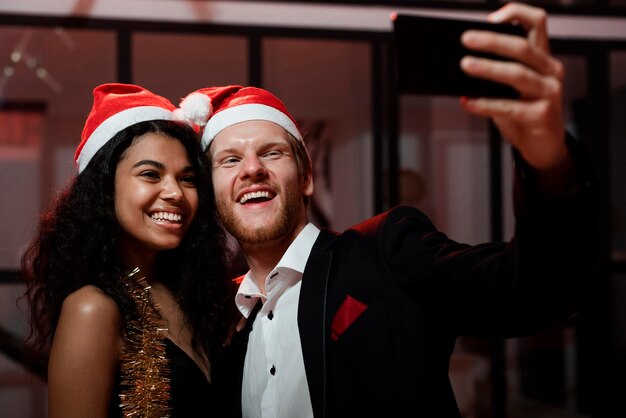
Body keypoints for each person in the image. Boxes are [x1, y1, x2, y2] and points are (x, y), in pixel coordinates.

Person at [176, 3, 598, 417]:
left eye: (271, 153)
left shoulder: (384, 253)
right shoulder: (221, 321)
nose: (252, 169)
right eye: (230, 160)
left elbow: (533, 289)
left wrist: (547, 162)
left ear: (306, 177)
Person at [21, 83, 229, 417]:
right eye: (150, 174)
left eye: (187, 178)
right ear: (104, 189)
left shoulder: (193, 296)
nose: (175, 192)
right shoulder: (92, 308)